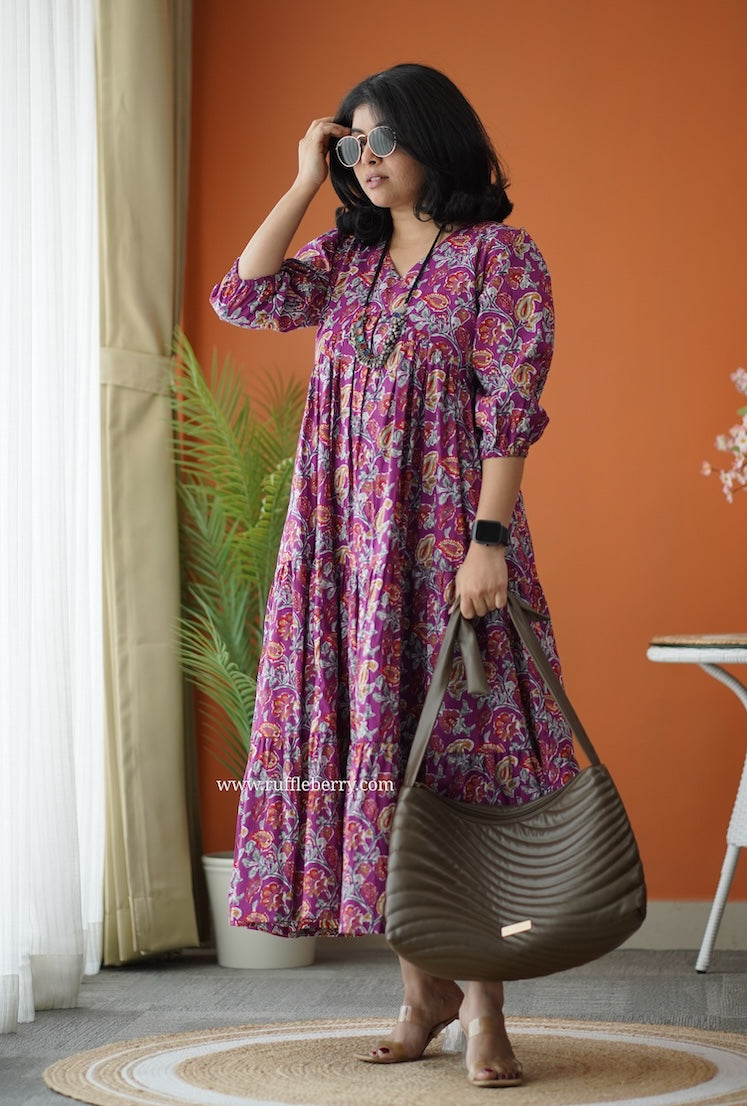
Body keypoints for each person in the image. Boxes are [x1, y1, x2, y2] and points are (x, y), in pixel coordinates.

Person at [210, 63, 578, 1089]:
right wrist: (303, 176)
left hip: (445, 542)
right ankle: (422, 995)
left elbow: (510, 407)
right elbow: (242, 294)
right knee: (378, 767)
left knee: (457, 770)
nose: (366, 160)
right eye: (352, 145)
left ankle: (485, 1004)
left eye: (383, 139)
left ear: (434, 138)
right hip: (340, 551)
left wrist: (486, 540)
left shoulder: (496, 257)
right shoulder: (347, 258)